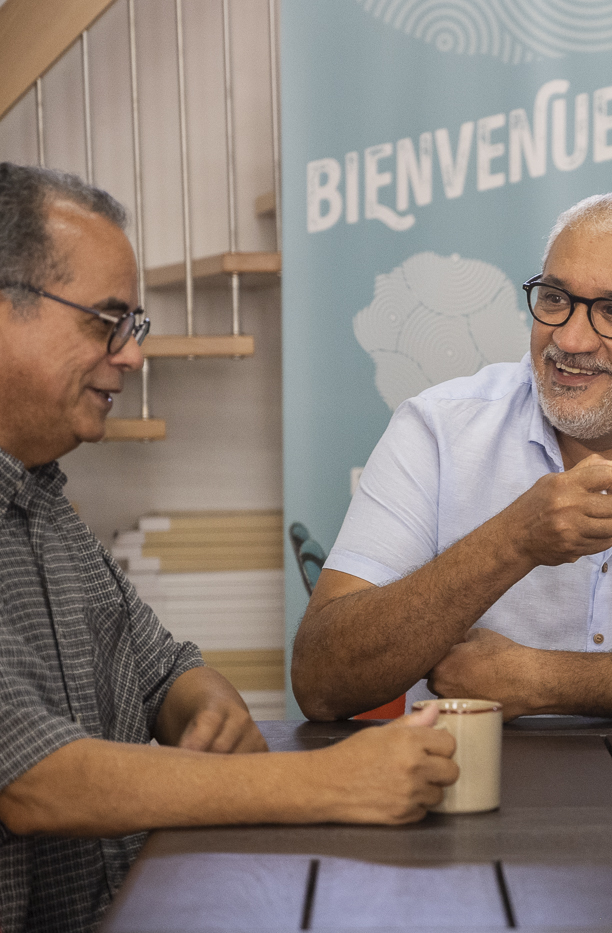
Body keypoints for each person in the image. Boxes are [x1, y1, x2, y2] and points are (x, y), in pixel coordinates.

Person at [0, 163, 459, 933]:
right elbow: (37, 781)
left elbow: (163, 665)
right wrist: (330, 783)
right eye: (104, 321)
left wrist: (200, 703)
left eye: (134, 327)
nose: (131, 356)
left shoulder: (42, 496)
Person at [292, 192, 612, 721]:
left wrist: (542, 679)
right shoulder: (439, 427)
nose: (570, 338)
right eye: (556, 299)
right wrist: (514, 539)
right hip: (470, 779)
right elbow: (322, 683)